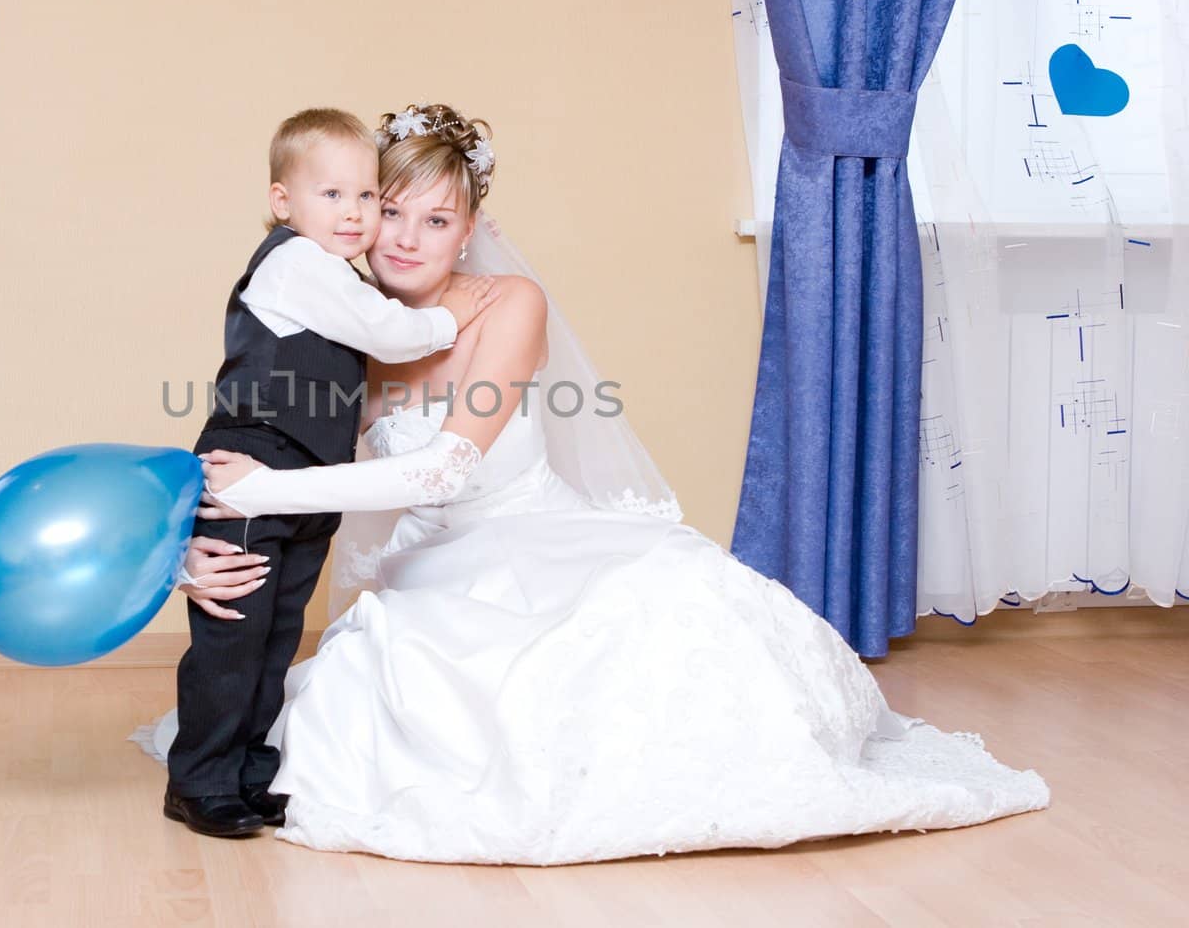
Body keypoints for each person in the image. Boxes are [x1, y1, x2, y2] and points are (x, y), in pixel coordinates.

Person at [146, 103, 1050, 864]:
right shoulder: (337, 320)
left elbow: (442, 465)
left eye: (439, 220)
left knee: (653, 635)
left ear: (472, 230)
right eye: (392, 212)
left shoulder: (508, 304)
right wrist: (206, 534)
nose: (410, 239)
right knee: (363, 711)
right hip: (429, 567)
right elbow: (257, 434)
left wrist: (262, 494)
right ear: (356, 215)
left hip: (531, 535)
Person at [164, 108, 498, 839]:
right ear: (284, 202)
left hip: (306, 475)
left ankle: (248, 768)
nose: (354, 215)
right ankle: (198, 779)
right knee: (233, 638)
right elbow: (388, 332)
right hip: (256, 462)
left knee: (277, 634)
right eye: (332, 196)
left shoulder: (333, 274)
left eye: (364, 197)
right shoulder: (295, 263)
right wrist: (453, 318)